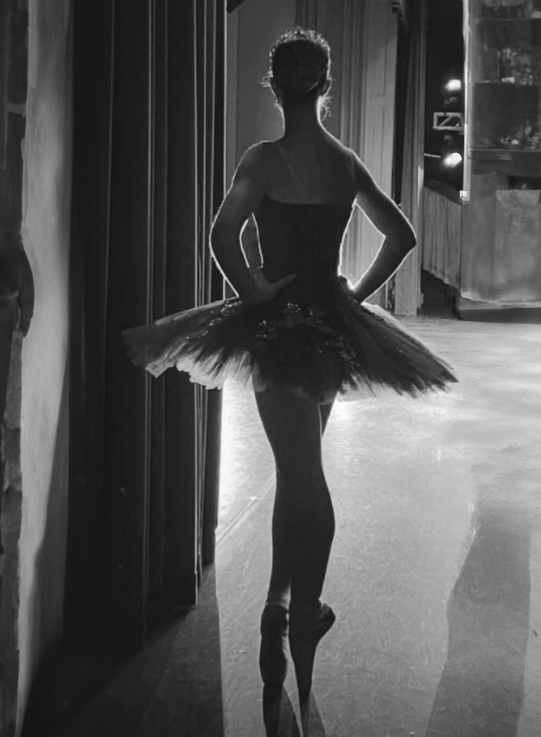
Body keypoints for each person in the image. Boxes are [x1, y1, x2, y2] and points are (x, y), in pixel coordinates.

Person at [123, 27, 457, 703]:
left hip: (277, 326)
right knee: (300, 473)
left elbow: (222, 233)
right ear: (326, 87)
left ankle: (288, 616)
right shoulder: (343, 162)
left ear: (276, 87)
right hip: (331, 328)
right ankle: (293, 615)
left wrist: (254, 291)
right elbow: (402, 235)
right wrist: (355, 294)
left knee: (300, 473)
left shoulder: (264, 159)